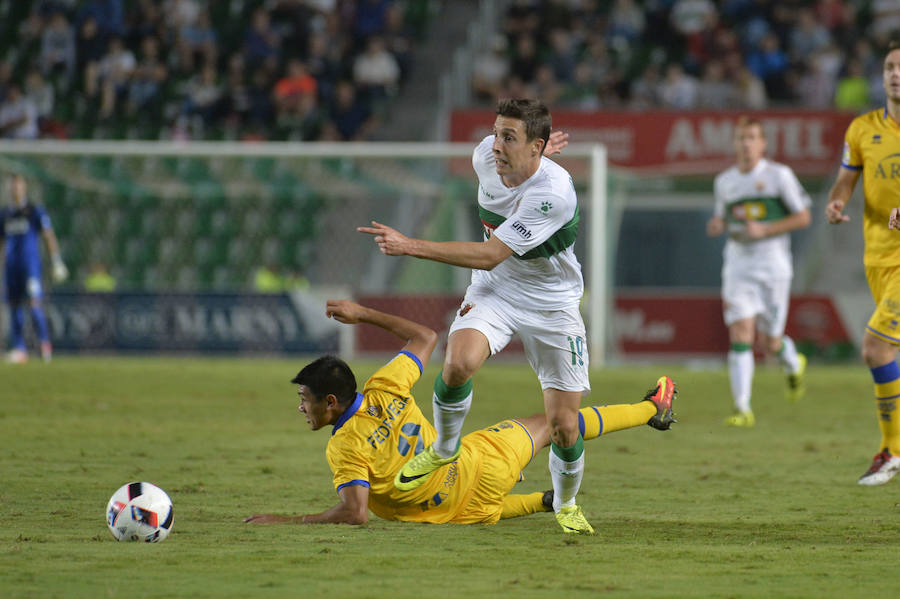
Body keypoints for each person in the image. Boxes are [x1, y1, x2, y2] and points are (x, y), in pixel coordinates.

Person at [358, 99, 607, 534]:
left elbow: (491, 254)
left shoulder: (553, 195)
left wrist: (410, 244)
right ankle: (445, 447)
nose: (495, 145)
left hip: (552, 304)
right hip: (496, 292)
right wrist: (528, 152)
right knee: (457, 363)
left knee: (564, 426)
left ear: (537, 147)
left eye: (509, 138)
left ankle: (565, 504)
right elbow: (494, 265)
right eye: (496, 133)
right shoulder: (483, 157)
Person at [244, 299, 676, 527]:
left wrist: (286, 520)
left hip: (460, 514)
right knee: (557, 423)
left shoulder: (344, 448)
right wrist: (363, 316)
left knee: (479, 507)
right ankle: (650, 408)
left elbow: (355, 513)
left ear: (330, 403)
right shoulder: (386, 384)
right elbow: (425, 336)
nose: (301, 407)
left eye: (305, 398)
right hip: (481, 463)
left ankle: (541, 503)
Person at [706, 116, 811, 428]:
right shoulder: (725, 182)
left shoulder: (779, 176)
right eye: (741, 138)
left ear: (763, 144)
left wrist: (766, 230)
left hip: (773, 269)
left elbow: (804, 217)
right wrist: (718, 225)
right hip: (738, 266)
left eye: (752, 138)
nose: (746, 144)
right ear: (735, 143)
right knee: (741, 334)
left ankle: (793, 362)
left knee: (770, 344)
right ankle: (742, 408)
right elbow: (723, 219)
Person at [827, 39, 900, 486]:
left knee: (875, 347)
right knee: (891, 353)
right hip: (878, 257)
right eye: (891, 66)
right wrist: (835, 205)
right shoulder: (862, 129)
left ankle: (891, 452)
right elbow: (843, 184)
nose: (897, 73)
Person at [0, 173, 68, 363]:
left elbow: (48, 235)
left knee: (34, 304)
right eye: (12, 186)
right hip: (11, 268)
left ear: (25, 188)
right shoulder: (4, 214)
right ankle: (20, 349)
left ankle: (44, 344)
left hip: (30, 266)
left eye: (19, 185)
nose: (15, 189)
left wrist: (56, 259)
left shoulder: (34, 211)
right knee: (14, 307)